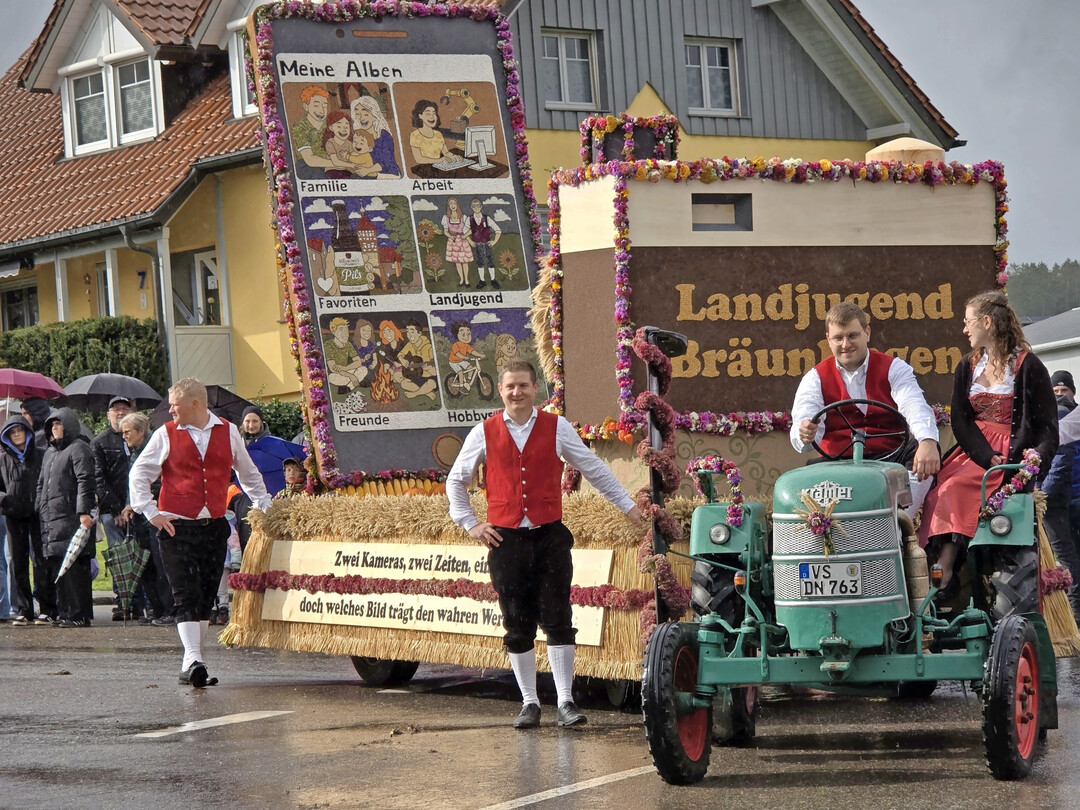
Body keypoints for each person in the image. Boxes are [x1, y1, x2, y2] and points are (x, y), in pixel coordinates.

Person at [447, 360, 643, 729]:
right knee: (516, 622)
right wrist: (471, 523)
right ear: (501, 391)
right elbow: (455, 481)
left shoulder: (556, 427)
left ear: (535, 388)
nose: (516, 392)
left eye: (523, 385)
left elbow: (593, 467)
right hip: (505, 539)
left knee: (558, 617)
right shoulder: (483, 432)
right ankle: (530, 702)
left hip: (548, 536)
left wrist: (629, 506)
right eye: (510, 387)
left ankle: (566, 701)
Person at [129, 378, 270, 688]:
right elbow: (139, 473)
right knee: (184, 592)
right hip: (176, 525)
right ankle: (194, 658)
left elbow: (248, 474)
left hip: (214, 524)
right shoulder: (165, 434)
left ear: (195, 404)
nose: (170, 410)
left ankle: (192, 660)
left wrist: (266, 505)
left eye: (175, 405)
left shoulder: (229, 431)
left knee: (205, 595)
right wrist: (150, 512)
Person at [918, 291, 1058, 600]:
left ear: (987, 322)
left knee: (958, 489)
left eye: (968, 322)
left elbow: (1048, 427)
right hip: (977, 452)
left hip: (1012, 457)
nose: (964, 329)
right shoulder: (968, 366)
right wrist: (984, 454)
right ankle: (943, 566)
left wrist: (1031, 464)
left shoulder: (1027, 365)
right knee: (943, 488)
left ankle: (950, 566)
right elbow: (961, 420)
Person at [790, 301, 941, 517]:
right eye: (838, 338)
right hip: (838, 461)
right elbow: (804, 422)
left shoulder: (893, 368)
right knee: (810, 479)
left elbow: (913, 404)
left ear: (867, 333)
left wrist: (927, 441)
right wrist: (804, 432)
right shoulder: (815, 378)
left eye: (852, 336)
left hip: (890, 455)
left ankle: (900, 526)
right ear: (828, 340)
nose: (845, 344)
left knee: (923, 453)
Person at [36, 408, 96, 628]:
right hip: (51, 520)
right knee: (59, 567)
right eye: (52, 425)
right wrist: (39, 509)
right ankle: (66, 611)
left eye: (58, 424)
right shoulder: (49, 453)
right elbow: (42, 484)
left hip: (72, 517)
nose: (55, 428)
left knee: (75, 568)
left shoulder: (79, 448)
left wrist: (83, 511)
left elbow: (85, 481)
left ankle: (79, 614)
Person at [119, 412, 174, 626]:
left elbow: (161, 483)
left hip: (155, 514)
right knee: (144, 566)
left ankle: (169, 609)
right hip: (139, 518)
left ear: (141, 431)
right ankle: (156, 609)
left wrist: (141, 501)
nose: (124, 436)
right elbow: (133, 482)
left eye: (127, 432)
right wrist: (129, 503)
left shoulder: (155, 449)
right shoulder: (133, 452)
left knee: (161, 565)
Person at [0, 413, 49, 625]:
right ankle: (24, 608)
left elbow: (47, 481)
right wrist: (5, 500)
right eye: (12, 432)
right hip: (13, 515)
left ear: (27, 433)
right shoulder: (2, 459)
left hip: (38, 514)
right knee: (17, 563)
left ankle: (47, 608)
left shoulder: (41, 454)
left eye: (19, 430)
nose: (17, 435)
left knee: (41, 561)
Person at [1039, 371, 1080, 614]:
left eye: (1064, 390)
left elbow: (1059, 458)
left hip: (1062, 502)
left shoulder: (1061, 417)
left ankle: (1075, 624)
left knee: (1067, 563)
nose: (1060, 395)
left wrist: (1042, 497)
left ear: (1073, 391)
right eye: (1055, 392)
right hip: (1063, 500)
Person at [92, 395, 135, 620]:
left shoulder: (139, 439)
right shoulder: (100, 442)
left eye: (124, 409)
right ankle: (123, 602)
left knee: (140, 556)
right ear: (108, 414)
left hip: (138, 507)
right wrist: (118, 508)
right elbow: (99, 479)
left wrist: (132, 505)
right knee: (119, 557)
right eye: (116, 409)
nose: (120, 412)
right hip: (112, 512)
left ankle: (140, 601)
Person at [350, 94, 399, 176]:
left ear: (374, 115)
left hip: (387, 175)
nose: (361, 118)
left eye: (365, 114)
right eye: (357, 114)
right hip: (367, 175)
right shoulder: (357, 136)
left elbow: (387, 161)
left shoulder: (384, 135)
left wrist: (368, 170)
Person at [467, 198, 502, 289]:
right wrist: (470, 242)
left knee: (490, 262)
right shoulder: (470, 219)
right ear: (471, 207)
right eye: (474, 206)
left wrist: (494, 241)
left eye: (478, 205)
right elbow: (464, 231)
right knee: (480, 263)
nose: (476, 208)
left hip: (486, 243)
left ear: (481, 207)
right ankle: (482, 281)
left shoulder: (487, 218)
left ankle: (493, 280)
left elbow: (498, 230)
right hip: (477, 244)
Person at [409, 99, 454, 165]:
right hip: (425, 168)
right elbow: (418, 159)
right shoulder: (415, 135)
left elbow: (446, 153)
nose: (432, 117)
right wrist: (439, 160)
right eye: (428, 114)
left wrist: (453, 157)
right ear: (420, 116)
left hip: (438, 166)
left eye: (434, 113)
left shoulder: (438, 134)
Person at [442, 197, 474, 287]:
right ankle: (461, 280)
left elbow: (471, 229)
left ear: (457, 205)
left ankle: (467, 280)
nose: (453, 206)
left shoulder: (463, 217)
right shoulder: (446, 218)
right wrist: (451, 236)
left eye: (454, 203)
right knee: (457, 262)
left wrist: (465, 236)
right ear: (448, 205)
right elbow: (445, 231)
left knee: (464, 261)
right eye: (451, 204)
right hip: (453, 241)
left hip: (462, 241)